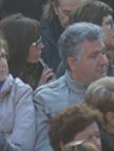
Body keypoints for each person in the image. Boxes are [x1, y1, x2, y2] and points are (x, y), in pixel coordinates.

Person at [32, 23, 108, 151]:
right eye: (94, 56)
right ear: (72, 63)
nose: (104, 61)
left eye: (104, 52)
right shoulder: (46, 99)